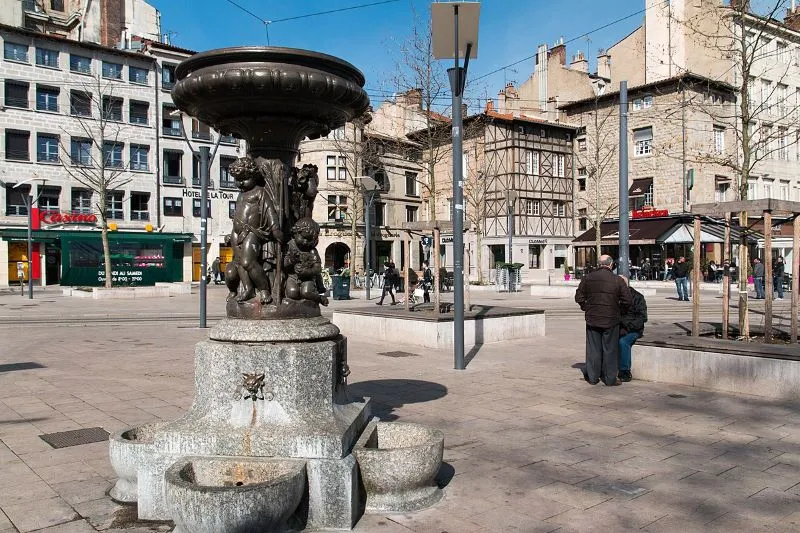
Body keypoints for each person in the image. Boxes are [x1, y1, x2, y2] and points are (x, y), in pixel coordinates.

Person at [575, 255, 632, 386]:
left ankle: (593, 377)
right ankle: (610, 378)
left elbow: (579, 297)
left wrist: (586, 307)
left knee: (593, 349)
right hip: (611, 319)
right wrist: (620, 311)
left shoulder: (588, 278)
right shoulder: (617, 280)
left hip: (592, 319)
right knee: (610, 349)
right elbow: (627, 300)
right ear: (611, 265)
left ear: (598, 264)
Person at [618, 275, 648, 383]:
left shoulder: (637, 297)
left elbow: (642, 317)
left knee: (623, 342)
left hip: (633, 330)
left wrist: (627, 327)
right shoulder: (615, 298)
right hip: (619, 328)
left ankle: (624, 370)